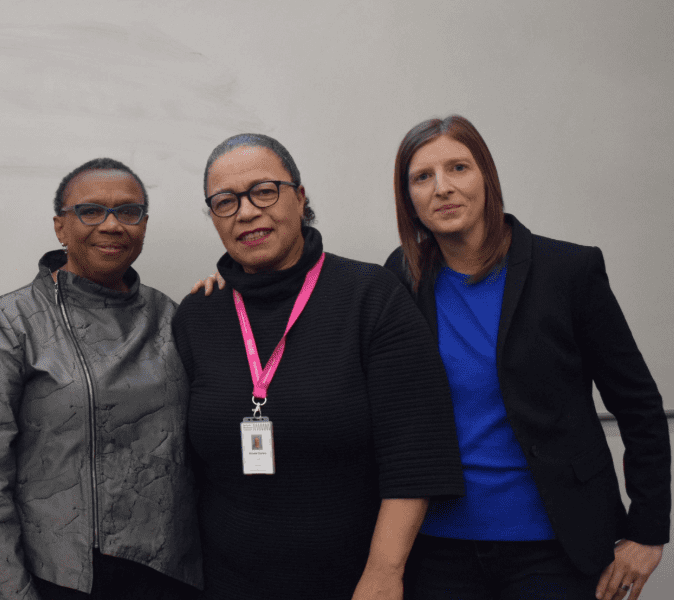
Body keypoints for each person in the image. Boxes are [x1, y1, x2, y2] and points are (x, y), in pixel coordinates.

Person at [384, 115, 670, 600]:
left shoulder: (569, 271)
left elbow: (639, 404)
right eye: (422, 177)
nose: (443, 188)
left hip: (555, 544)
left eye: (458, 167)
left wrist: (647, 530)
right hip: (438, 548)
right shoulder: (402, 276)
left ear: (487, 178)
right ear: (408, 200)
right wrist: (227, 288)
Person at [174, 134, 465, 599]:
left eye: (264, 191)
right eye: (225, 202)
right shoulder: (197, 315)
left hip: (353, 581)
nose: (246, 212)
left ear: (300, 196)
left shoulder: (371, 296)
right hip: (227, 582)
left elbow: (416, 454)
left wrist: (384, 573)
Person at [0, 158, 202, 600]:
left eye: (129, 211)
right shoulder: (10, 322)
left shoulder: (171, 315)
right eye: (90, 211)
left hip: (170, 573)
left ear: (144, 225)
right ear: (60, 227)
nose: (112, 225)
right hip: (61, 577)